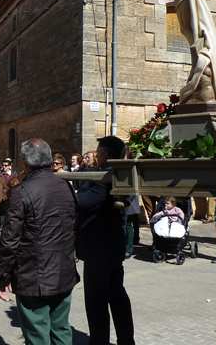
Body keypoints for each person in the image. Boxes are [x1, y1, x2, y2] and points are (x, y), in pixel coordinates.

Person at [0, 138, 79, 344]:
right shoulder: (66, 187)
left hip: (33, 275)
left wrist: (2, 277)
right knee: (61, 330)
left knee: (37, 335)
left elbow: (9, 240)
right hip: (62, 270)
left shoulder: (21, 192)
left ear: (25, 162)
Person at [76, 136, 134, 345]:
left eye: (98, 153)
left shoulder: (105, 180)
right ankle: (126, 340)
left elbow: (81, 202)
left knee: (97, 302)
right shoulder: (121, 175)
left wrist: (84, 181)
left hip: (98, 251)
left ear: (105, 155)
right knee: (117, 296)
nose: (96, 156)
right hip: (111, 249)